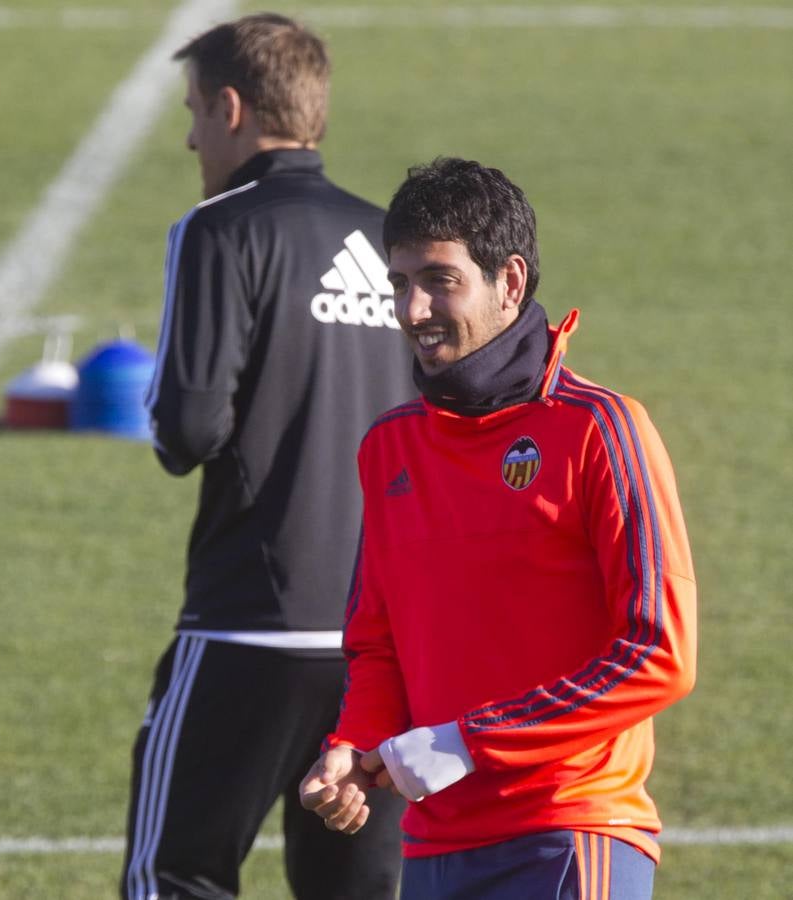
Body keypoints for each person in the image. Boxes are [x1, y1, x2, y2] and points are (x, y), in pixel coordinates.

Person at [299, 158, 697, 899]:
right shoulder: (389, 448)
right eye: (399, 283)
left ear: (509, 283)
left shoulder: (601, 433)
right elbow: (377, 640)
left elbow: (658, 652)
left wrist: (466, 742)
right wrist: (352, 745)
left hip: (570, 836)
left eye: (439, 281)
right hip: (432, 847)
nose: (412, 309)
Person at [124, 14, 412, 899]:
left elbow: (187, 431)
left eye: (193, 113)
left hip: (249, 621)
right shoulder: (395, 242)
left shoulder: (217, 230)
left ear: (232, 107)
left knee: (176, 876)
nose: (187, 136)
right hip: (383, 641)